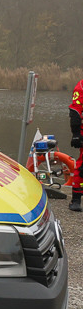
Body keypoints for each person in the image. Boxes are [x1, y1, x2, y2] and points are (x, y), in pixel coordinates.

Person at [69, 78, 83, 211]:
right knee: (82, 166)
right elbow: (75, 112)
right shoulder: (81, 87)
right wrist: (76, 134)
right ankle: (76, 199)